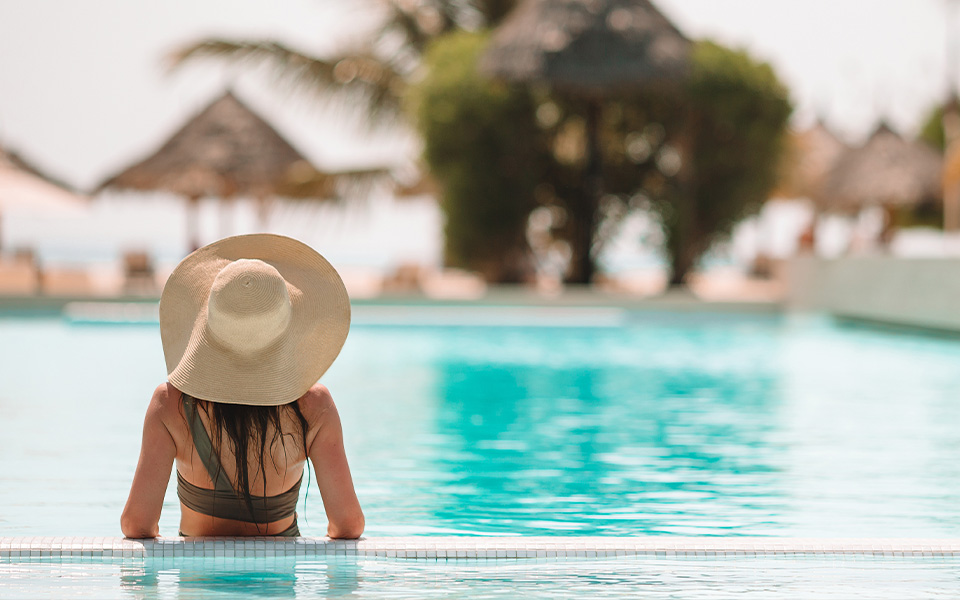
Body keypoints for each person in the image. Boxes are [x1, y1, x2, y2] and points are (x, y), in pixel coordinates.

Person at [121, 234, 364, 539]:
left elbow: (137, 524)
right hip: (279, 571)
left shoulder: (170, 405)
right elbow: (348, 525)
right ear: (287, 325)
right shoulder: (313, 408)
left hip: (197, 572)